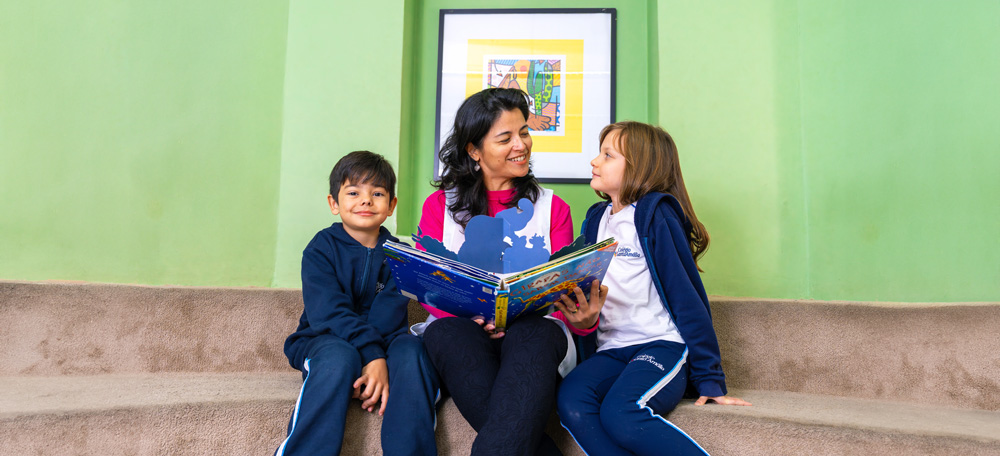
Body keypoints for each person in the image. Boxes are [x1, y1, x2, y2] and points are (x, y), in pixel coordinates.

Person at [417, 87, 607, 456]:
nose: (521, 144)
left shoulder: (554, 208)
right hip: (462, 334)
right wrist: (467, 314)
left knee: (532, 334)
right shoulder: (439, 206)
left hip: (534, 336)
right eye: (505, 138)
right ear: (474, 150)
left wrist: (584, 320)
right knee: (445, 333)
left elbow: (566, 293)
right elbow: (429, 281)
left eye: (524, 132)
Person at [557, 121, 751, 455]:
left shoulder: (654, 216)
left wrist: (709, 378)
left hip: (660, 345)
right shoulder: (595, 220)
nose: (594, 162)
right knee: (571, 400)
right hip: (611, 349)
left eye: (607, 155)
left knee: (620, 413)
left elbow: (687, 297)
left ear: (639, 168)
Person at [275, 151, 438, 456]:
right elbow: (328, 313)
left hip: (387, 339)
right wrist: (372, 356)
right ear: (333, 203)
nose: (365, 201)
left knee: (412, 350)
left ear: (391, 206)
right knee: (340, 357)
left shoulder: (400, 255)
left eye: (377, 194)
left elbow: (390, 313)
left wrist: (378, 355)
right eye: (353, 193)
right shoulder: (319, 249)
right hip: (324, 338)